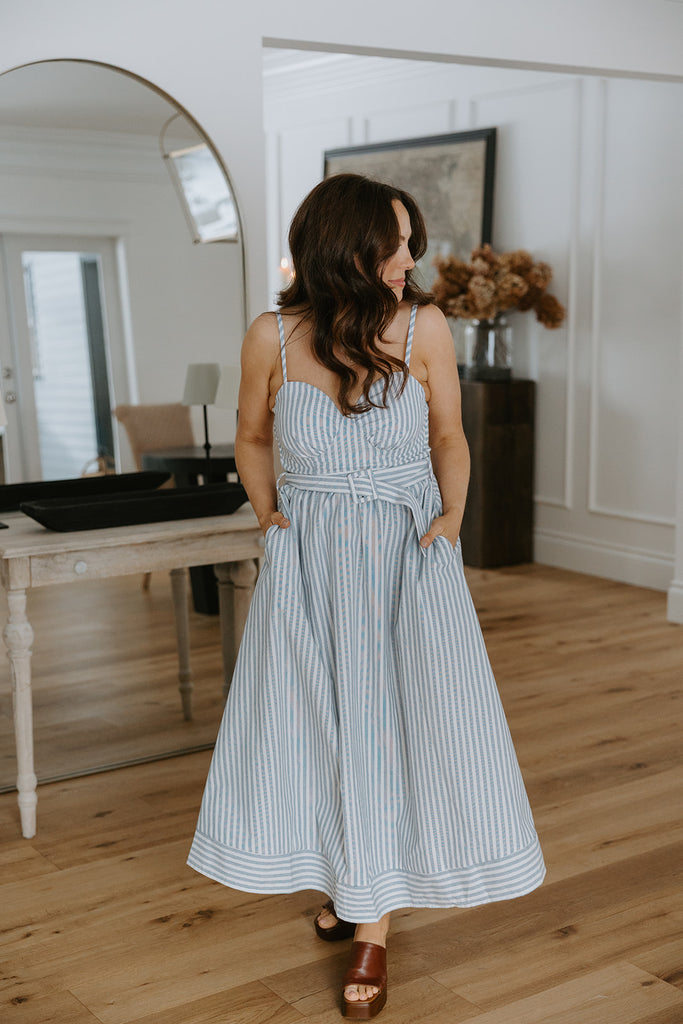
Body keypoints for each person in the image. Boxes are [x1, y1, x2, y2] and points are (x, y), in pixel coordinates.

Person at [187, 173, 545, 1019]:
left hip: (401, 563)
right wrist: (271, 516)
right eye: (394, 241)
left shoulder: (423, 325)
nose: (409, 257)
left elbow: (449, 437)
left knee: (391, 729)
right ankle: (350, 883)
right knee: (316, 726)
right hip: (308, 564)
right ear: (340, 245)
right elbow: (248, 436)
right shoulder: (271, 335)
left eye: (410, 240)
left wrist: (451, 521)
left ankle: (372, 928)